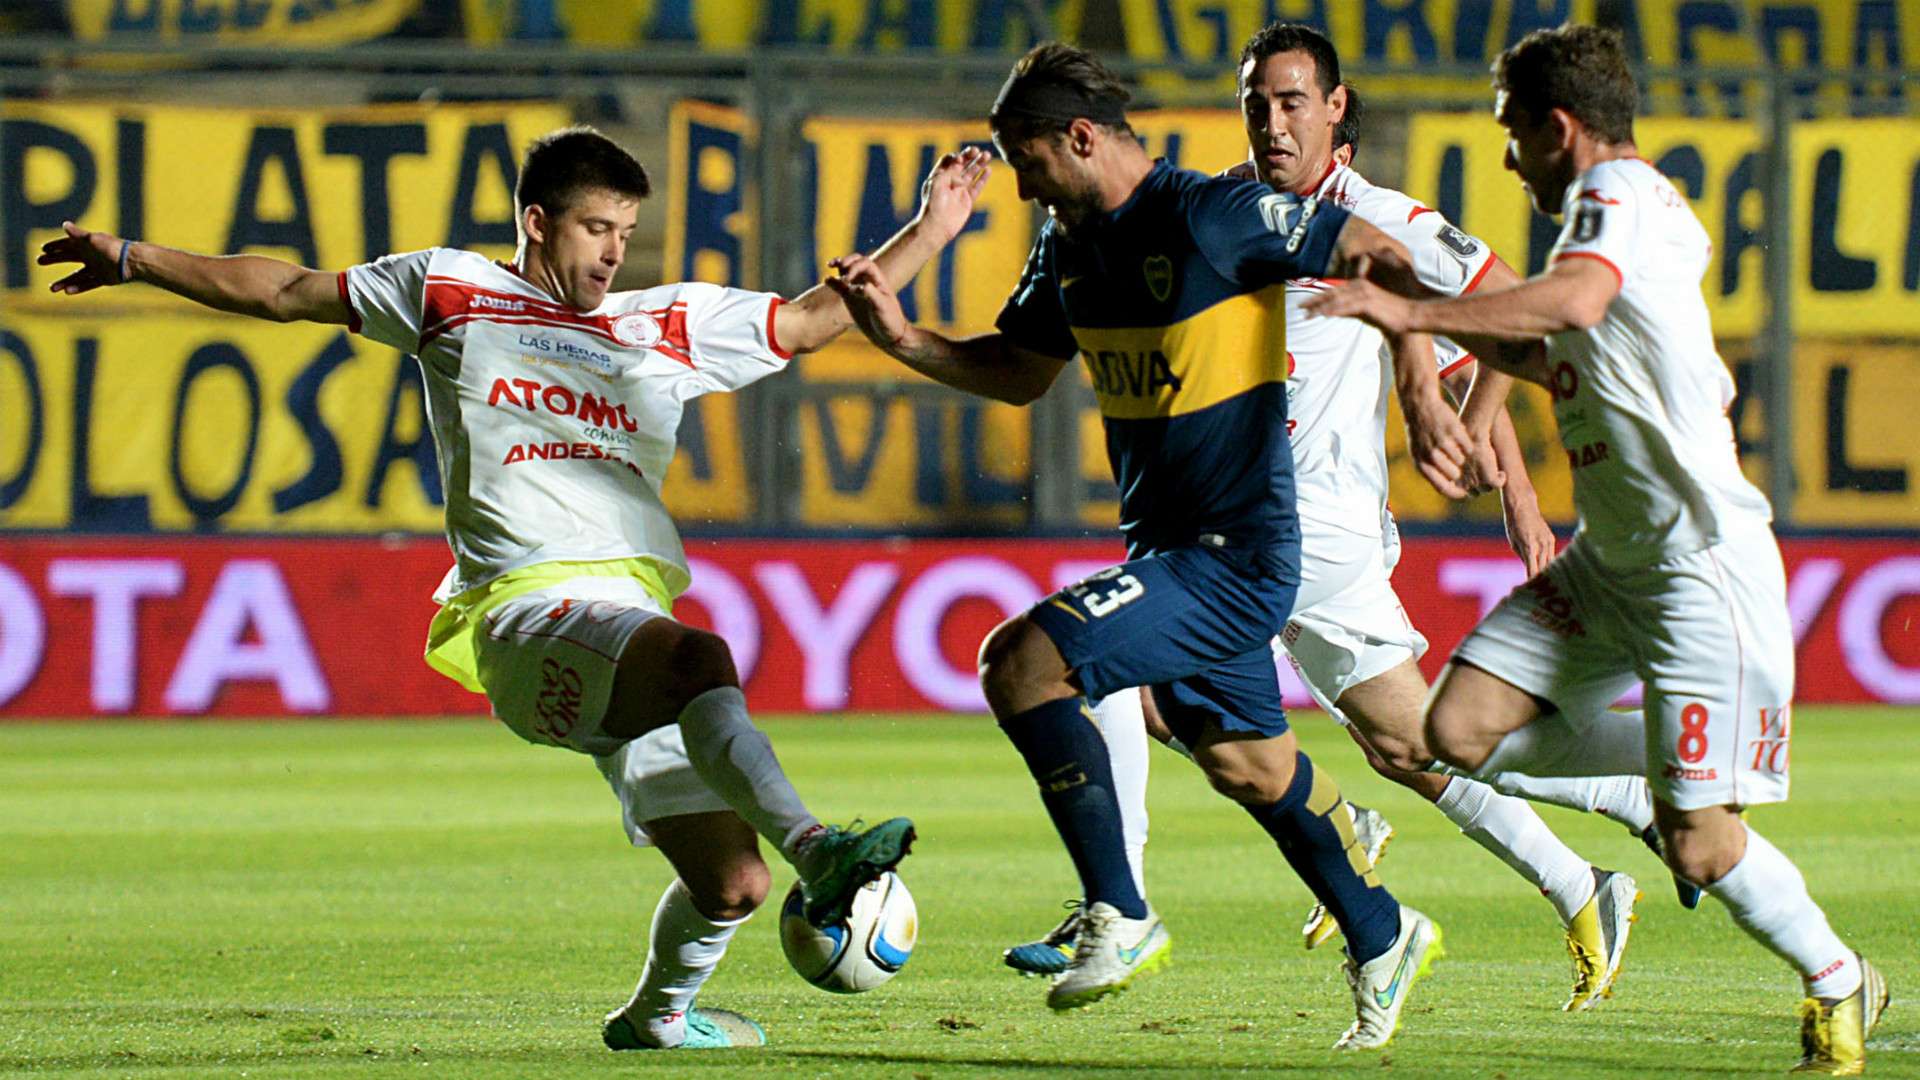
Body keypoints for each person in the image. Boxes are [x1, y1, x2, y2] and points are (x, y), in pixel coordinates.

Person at [39, 126, 991, 1053]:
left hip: (628, 632)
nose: (615, 253)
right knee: (702, 656)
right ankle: (822, 850)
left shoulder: (662, 326)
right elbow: (287, 289)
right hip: (528, 614)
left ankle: (655, 1018)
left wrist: (934, 228)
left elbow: (815, 319)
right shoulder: (451, 289)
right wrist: (132, 256)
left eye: (626, 231)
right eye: (595, 229)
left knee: (733, 883)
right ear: (538, 222)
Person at [1007, 24, 1692, 1014]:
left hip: (1306, 534)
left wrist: (1507, 467)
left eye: (1291, 102)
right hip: (1232, 523)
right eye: (1254, 102)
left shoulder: (1380, 220)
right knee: (1404, 742)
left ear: (1336, 110)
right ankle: (1587, 851)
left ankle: (1126, 903)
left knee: (1107, 671)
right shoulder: (1227, 214)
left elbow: (1511, 314)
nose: (1271, 121)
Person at [830, 41, 1476, 1050]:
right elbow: (1018, 370)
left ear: (1080, 140)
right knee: (1249, 766)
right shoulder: (1069, 245)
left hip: (1239, 555)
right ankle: (1383, 930)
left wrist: (1422, 382)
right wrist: (902, 338)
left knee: (1021, 664)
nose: (1025, 189)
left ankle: (1119, 914)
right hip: (1167, 550)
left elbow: (1381, 255)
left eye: (1029, 163)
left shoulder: (1211, 213)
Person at [1306, 25, 1887, 1075]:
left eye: (1511, 134)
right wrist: (1421, 348)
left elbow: (1571, 301)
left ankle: (1839, 978)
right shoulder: (1609, 216)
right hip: (1610, 560)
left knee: (1705, 845)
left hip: (1697, 564)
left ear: (1557, 127)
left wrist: (1409, 307)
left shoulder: (1614, 201)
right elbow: (1538, 344)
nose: (1505, 158)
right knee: (1455, 729)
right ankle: (1675, 775)